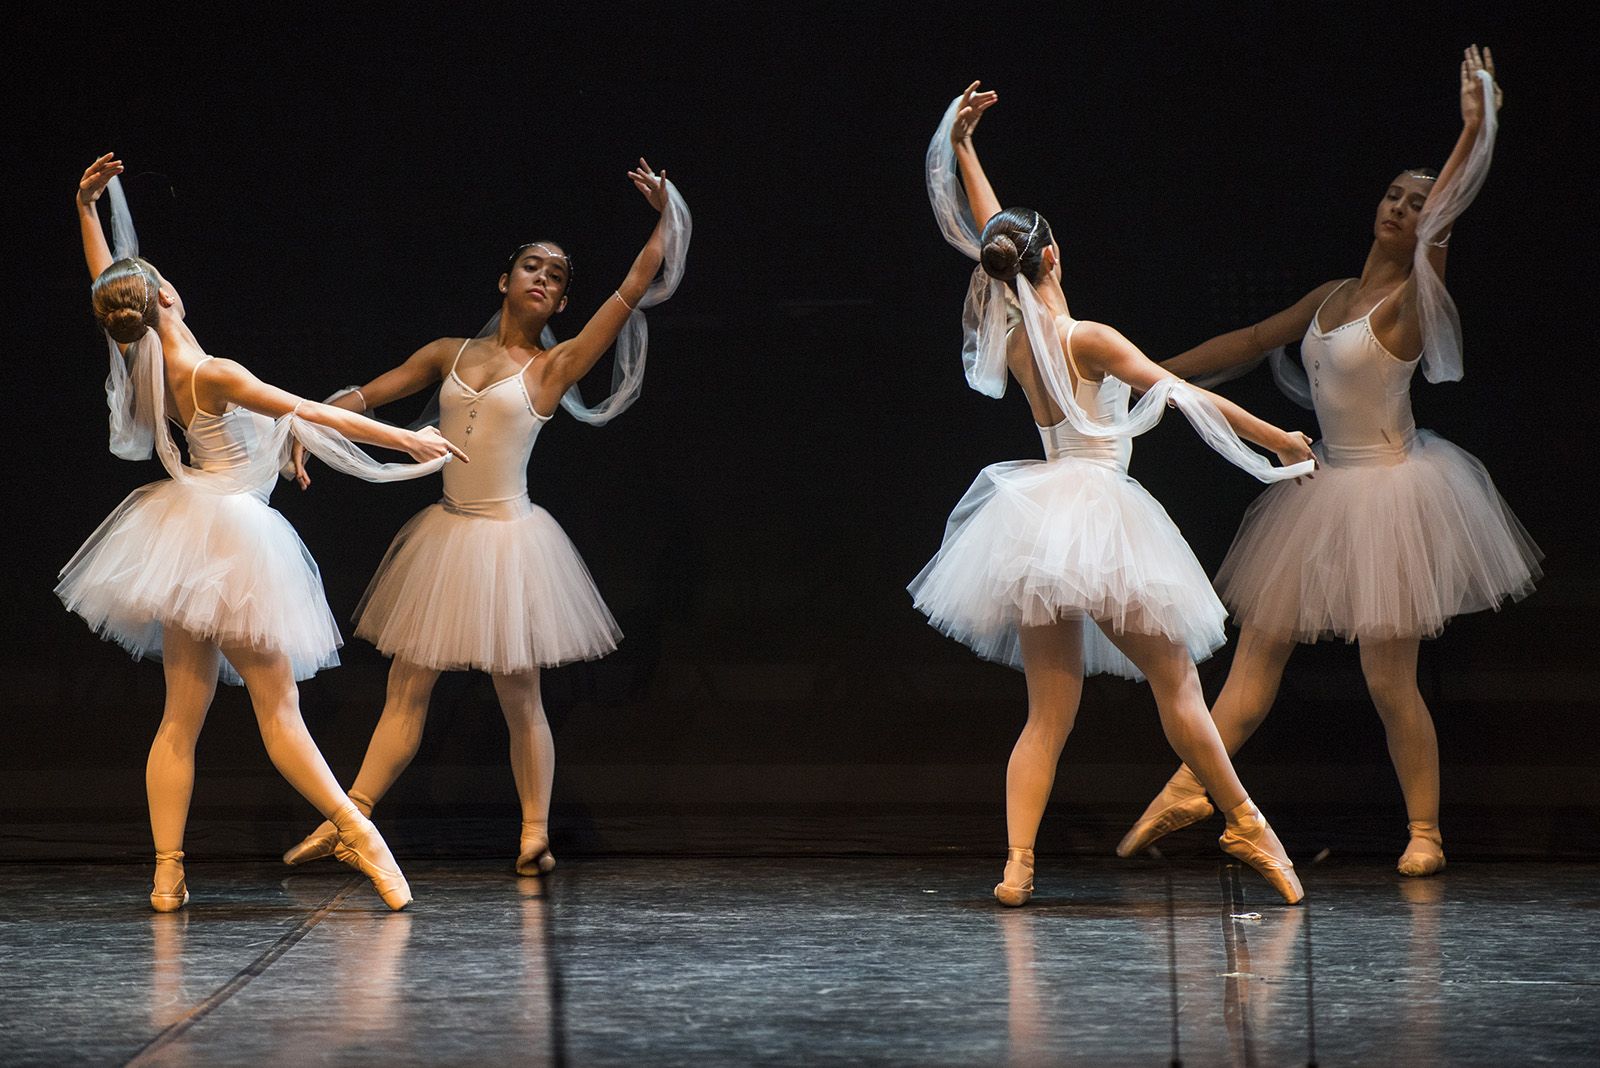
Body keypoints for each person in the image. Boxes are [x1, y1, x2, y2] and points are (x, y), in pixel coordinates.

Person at [1119, 47, 1539, 877]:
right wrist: (1153, 370)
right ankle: (1190, 787)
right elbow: (1245, 343)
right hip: (1320, 490)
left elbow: (1447, 219)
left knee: (1389, 680)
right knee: (1258, 651)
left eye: (1418, 204)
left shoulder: (1413, 301)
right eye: (1394, 194)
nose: (1402, 209)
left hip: (1391, 494)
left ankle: (1427, 832)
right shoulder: (1329, 296)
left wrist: (1473, 132)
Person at [913, 85, 1316, 907]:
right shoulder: (1086, 338)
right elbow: (1186, 394)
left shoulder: (1016, 335)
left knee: (1047, 712)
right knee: (1178, 687)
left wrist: (963, 149)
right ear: (1054, 259)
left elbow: (1000, 239)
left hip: (1036, 521)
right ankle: (1245, 821)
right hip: (1100, 511)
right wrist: (1278, 440)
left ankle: (1018, 865)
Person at [59, 155, 466, 911]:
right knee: (278, 713)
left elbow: (106, 282)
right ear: (165, 295)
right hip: (232, 544)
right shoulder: (212, 370)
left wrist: (86, 211)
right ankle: (360, 834)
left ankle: (167, 873)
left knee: (181, 717)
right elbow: (310, 409)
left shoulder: (140, 351)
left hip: (185, 537)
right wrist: (408, 441)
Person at [282, 160, 689, 877]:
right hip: (446, 533)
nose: (543, 278)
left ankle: (534, 835)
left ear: (562, 301)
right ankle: (353, 817)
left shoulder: (554, 367)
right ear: (504, 282)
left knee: (520, 693)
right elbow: (371, 396)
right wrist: (302, 425)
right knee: (406, 688)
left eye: (557, 277)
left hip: (509, 542)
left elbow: (631, 290)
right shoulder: (449, 352)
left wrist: (667, 215)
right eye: (531, 267)